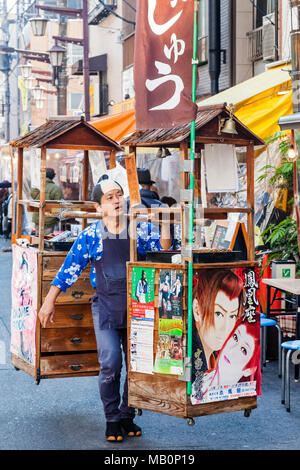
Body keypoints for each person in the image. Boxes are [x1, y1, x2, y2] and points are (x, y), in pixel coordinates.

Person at [38, 174, 172, 443]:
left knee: (137, 365)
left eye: (119, 195)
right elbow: (69, 269)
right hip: (106, 308)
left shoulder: (139, 229)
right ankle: (111, 418)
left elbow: (165, 248)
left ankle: (127, 414)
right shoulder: (91, 235)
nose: (117, 200)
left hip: (139, 308)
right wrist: (48, 300)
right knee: (111, 363)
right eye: (110, 197)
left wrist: (166, 220)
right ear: (99, 207)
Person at [191, 319, 261, 404]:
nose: (231, 349)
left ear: (250, 369)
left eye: (243, 350)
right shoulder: (204, 376)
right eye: (235, 337)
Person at [192, 269, 244, 379]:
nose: (225, 328)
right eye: (218, 314)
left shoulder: (214, 356)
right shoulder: (191, 359)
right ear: (197, 310)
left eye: (232, 316)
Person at [31, 168, 63, 235]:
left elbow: (32, 195)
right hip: (49, 219)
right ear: (53, 176)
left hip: (37, 217)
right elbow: (58, 206)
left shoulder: (36, 187)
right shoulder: (56, 188)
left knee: (38, 237)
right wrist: (56, 218)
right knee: (47, 238)